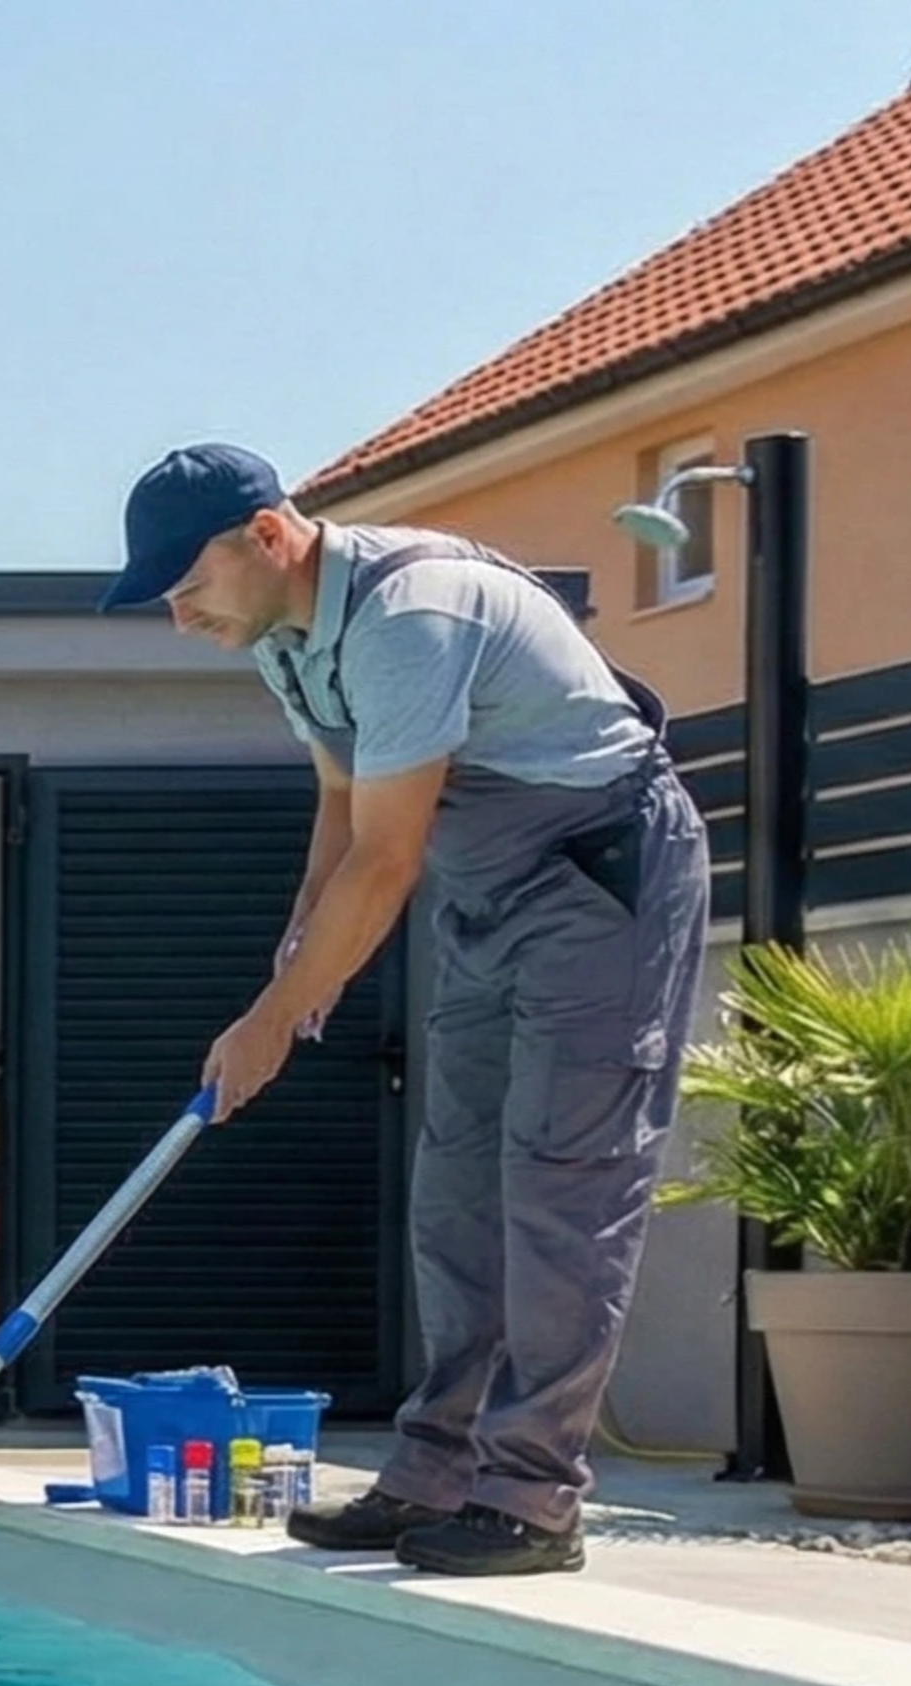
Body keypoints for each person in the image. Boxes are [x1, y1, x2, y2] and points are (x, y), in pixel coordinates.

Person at [99, 442, 710, 1577]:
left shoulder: (405, 618)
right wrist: (293, 963)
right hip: (486, 896)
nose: (180, 620)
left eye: (189, 590)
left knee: (558, 1185)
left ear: (270, 537)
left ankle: (532, 1500)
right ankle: (433, 1472)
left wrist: (278, 1018)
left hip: (601, 874)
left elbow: (387, 860)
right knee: (454, 1191)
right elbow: (342, 803)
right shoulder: (285, 638)